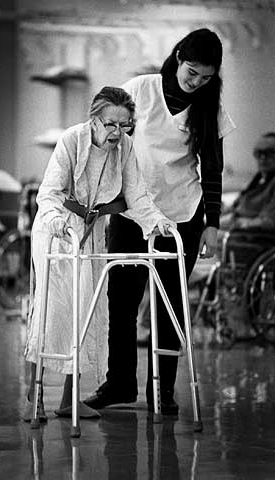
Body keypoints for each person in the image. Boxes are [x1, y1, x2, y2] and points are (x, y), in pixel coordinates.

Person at [84, 28, 235, 415]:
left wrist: (212, 224)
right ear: (178, 56)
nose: (197, 82)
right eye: (192, 72)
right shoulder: (139, 90)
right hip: (132, 212)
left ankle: (162, 391)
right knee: (121, 301)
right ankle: (119, 384)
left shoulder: (209, 108)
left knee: (170, 308)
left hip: (181, 217)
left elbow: (212, 170)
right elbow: (106, 142)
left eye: (206, 77)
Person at [22, 86, 176, 422]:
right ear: (94, 120)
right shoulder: (72, 140)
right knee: (51, 311)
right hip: (55, 232)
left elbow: (136, 196)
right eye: (111, 125)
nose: (118, 133)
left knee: (83, 313)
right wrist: (59, 223)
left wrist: (158, 223)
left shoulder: (125, 147)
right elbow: (48, 193)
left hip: (89, 234)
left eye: (125, 126)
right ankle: (33, 397)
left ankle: (69, 400)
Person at [219, 131, 275, 264]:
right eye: (258, 153)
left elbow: (268, 222)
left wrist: (238, 222)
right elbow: (237, 205)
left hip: (253, 240)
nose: (262, 158)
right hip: (236, 232)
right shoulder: (258, 180)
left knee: (202, 241)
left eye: (269, 153)